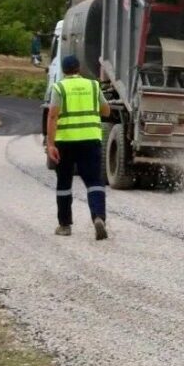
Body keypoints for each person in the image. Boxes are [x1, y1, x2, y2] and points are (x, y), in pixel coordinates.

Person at [45, 55, 110, 240]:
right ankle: (98, 217)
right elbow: (106, 111)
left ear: (64, 71)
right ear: (79, 68)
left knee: (64, 182)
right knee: (94, 181)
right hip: (90, 140)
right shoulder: (93, 86)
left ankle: (65, 225)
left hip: (65, 142)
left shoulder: (59, 87)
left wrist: (50, 144)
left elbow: (52, 116)